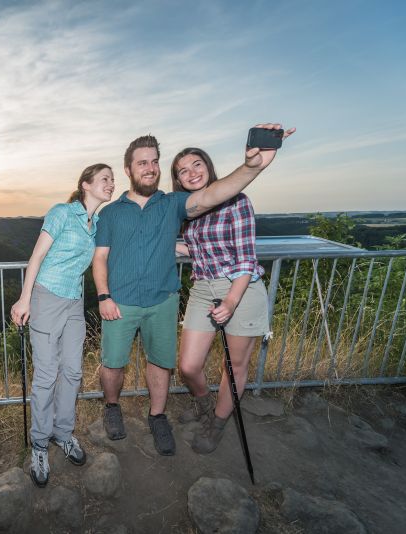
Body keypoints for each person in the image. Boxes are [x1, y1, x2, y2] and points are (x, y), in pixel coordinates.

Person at [94, 124, 294, 456]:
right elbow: (103, 256)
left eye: (154, 161)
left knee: (162, 363)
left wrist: (252, 166)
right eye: (142, 162)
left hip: (167, 300)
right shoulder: (112, 212)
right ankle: (112, 407)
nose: (150, 167)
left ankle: (160, 417)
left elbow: (214, 195)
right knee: (119, 363)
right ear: (128, 170)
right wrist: (103, 295)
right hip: (131, 300)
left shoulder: (173, 204)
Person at [10, 163, 115, 488]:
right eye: (105, 179)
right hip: (44, 296)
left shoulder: (97, 223)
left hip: (72, 302)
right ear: (86, 184)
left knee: (71, 371)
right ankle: (39, 445)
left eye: (113, 180)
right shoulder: (61, 213)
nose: (111, 184)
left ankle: (63, 433)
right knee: (46, 374)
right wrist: (24, 299)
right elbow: (37, 257)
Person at [171, 146, 271, 453]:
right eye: (183, 171)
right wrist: (177, 249)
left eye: (196, 165)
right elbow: (201, 247)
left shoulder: (236, 201)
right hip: (203, 287)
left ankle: (217, 421)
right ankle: (205, 404)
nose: (192, 173)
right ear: (178, 180)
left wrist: (230, 301)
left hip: (241, 287)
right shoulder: (190, 212)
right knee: (188, 365)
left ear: (209, 166)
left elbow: (245, 259)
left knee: (235, 365)